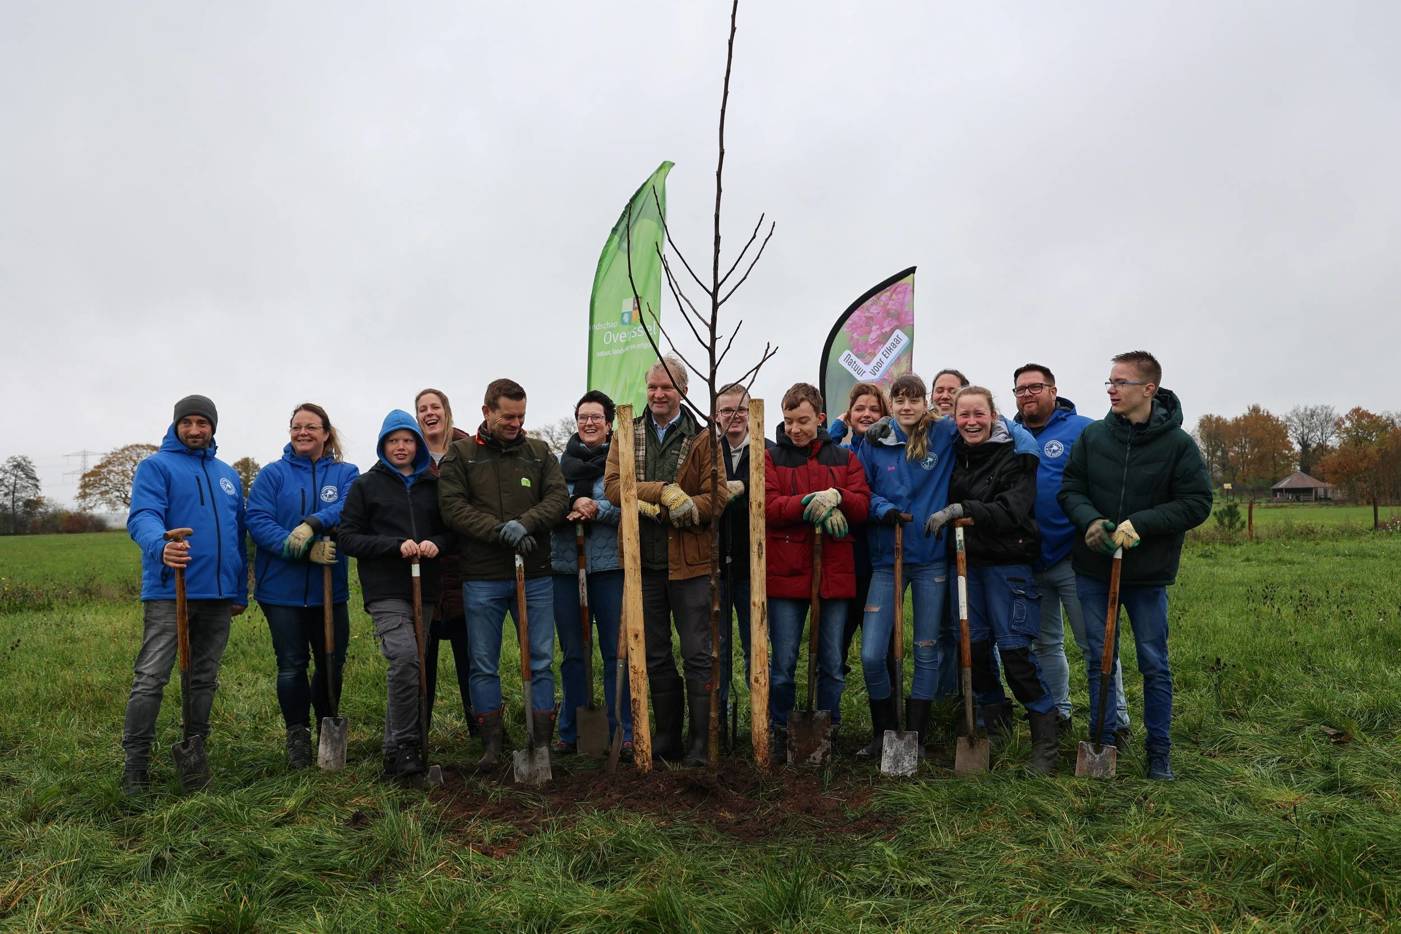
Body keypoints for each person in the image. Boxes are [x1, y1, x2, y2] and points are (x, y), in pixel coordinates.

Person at [1059, 351, 1212, 780]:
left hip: (1146, 575)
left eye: (1120, 382)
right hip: (1094, 569)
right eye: (1109, 382)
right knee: (1098, 659)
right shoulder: (1094, 438)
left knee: (1153, 663)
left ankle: (1158, 753)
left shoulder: (1178, 445)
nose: (1111, 389)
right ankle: (1103, 747)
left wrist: (1139, 524)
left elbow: (1197, 503)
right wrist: (1089, 520)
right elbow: (1071, 487)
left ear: (1148, 389)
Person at [927, 386, 1060, 774]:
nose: (971, 422)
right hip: (966, 565)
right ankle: (994, 728)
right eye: (963, 415)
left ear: (993, 416)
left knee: (1016, 652)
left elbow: (1012, 509)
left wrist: (962, 508)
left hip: (1007, 565)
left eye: (978, 415)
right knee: (977, 650)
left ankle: (1044, 743)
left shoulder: (1016, 456)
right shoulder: (953, 455)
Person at [604, 355, 728, 766]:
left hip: (689, 564)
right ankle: (667, 737)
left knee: (696, 652)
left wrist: (688, 506)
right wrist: (659, 492)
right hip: (644, 562)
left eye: (668, 388)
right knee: (654, 653)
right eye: (653, 387)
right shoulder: (628, 432)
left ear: (683, 391)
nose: (659, 394)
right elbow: (612, 485)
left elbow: (719, 495)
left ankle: (700, 742)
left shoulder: (704, 439)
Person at [438, 379, 568, 768]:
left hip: (536, 573)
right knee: (483, 661)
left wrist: (526, 523)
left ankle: (541, 741)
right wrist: (500, 532)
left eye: (521, 416)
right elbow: (452, 508)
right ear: (486, 412)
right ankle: (492, 744)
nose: (515, 423)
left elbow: (558, 498)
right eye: (507, 416)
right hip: (482, 576)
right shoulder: (460, 456)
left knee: (541, 658)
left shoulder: (540, 452)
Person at [122, 395, 247, 794]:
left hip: (218, 595)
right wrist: (162, 545)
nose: (195, 430)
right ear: (176, 426)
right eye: (187, 422)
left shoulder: (228, 475)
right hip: (169, 591)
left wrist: (239, 589)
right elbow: (142, 516)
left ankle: (196, 751)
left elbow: (237, 534)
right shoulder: (156, 467)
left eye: (202, 423)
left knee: (204, 678)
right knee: (151, 677)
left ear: (213, 428)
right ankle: (135, 765)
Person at [1012, 363, 1128, 742]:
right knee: (1046, 643)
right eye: (1020, 390)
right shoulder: (1010, 435)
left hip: (1076, 557)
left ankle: (1116, 720)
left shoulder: (1082, 429)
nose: (1027, 395)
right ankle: (1059, 713)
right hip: (1031, 558)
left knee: (1095, 643)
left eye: (1034, 387)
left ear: (1053, 390)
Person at [338, 411, 453, 781]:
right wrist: (393, 546)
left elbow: (451, 532)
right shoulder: (366, 486)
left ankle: (394, 753)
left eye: (407, 440)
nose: (400, 447)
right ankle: (406, 746)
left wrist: (435, 543)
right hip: (386, 588)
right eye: (393, 441)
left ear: (418, 445)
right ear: (383, 445)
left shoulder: (432, 486)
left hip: (425, 588)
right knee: (404, 658)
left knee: (413, 666)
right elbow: (348, 537)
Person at [245, 403, 359, 769]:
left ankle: (328, 729)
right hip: (281, 592)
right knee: (291, 665)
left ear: (326, 433)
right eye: (297, 427)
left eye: (311, 426)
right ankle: (298, 735)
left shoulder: (346, 473)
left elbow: (349, 506)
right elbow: (258, 521)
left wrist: (312, 523)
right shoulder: (272, 475)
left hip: (331, 590)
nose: (303, 432)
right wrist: (302, 551)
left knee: (331, 662)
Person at [763, 383, 870, 747]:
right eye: (789, 421)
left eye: (803, 421)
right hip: (787, 571)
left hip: (833, 570)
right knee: (783, 665)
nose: (795, 429)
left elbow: (862, 505)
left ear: (821, 418)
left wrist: (838, 496)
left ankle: (827, 731)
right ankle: (781, 731)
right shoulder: (772, 457)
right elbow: (769, 506)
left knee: (832, 662)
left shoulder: (844, 459)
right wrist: (808, 502)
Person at [550, 390, 632, 754]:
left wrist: (598, 509)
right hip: (566, 570)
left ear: (609, 422)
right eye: (583, 416)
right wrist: (571, 503)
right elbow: (547, 504)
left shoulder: (620, 461)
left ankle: (622, 731)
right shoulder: (558, 464)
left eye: (596, 417)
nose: (589, 423)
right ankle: (572, 730)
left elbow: (628, 505)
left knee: (615, 652)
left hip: (610, 569)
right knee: (573, 653)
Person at [415, 388, 476, 737]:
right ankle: (419, 730)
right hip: (422, 568)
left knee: (472, 657)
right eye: (422, 409)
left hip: (465, 567)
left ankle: (480, 727)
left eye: (434, 406)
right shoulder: (408, 452)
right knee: (423, 660)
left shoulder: (468, 449)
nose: (429, 413)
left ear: (447, 410)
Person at [829, 382, 894, 686]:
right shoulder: (840, 449)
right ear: (849, 414)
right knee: (832, 648)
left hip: (878, 562)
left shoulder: (890, 450)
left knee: (883, 649)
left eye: (874, 409)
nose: (867, 414)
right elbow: (818, 461)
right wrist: (836, 429)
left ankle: (888, 722)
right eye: (859, 409)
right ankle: (830, 719)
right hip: (841, 562)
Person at [714, 381, 754, 744]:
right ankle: (720, 726)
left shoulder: (765, 453)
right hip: (715, 567)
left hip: (752, 567)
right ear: (716, 415)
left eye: (741, 410)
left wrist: (746, 488)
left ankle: (761, 723)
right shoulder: (707, 454)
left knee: (755, 649)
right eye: (727, 411)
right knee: (718, 649)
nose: (734, 417)